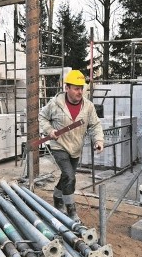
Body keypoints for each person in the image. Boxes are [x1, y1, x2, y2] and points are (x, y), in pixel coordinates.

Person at [38, 69, 104, 223]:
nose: (80, 92)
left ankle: (57, 196)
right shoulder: (55, 103)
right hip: (59, 145)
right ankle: (71, 211)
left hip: (75, 147)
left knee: (67, 176)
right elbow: (42, 117)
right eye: (76, 88)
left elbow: (95, 125)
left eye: (81, 88)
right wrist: (49, 130)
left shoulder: (88, 106)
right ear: (66, 88)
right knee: (70, 176)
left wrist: (98, 140)